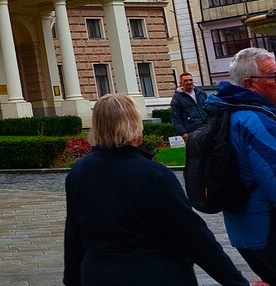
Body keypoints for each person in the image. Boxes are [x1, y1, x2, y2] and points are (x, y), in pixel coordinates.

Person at [63, 93, 247, 286]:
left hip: (99, 274)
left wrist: (72, 279)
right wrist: (234, 280)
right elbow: (192, 235)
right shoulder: (153, 175)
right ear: (135, 124)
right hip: (154, 272)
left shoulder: (80, 172)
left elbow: (74, 236)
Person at [206, 47, 276, 281]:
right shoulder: (256, 120)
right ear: (251, 83)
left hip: (245, 229)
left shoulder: (228, 111)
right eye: (273, 76)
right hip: (267, 230)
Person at [171, 72, 208, 139]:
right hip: (192, 131)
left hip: (207, 128)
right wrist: (183, 132)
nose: (189, 82)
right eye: (186, 81)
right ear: (181, 83)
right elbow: (176, 117)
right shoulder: (177, 99)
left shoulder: (201, 93)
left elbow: (208, 109)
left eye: (190, 80)